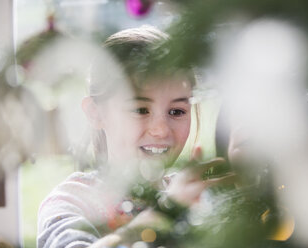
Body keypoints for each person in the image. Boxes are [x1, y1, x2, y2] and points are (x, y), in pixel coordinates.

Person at [37, 25, 219, 248]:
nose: (161, 130)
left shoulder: (198, 199)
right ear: (96, 113)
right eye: (140, 110)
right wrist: (163, 215)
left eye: (176, 112)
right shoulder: (71, 201)